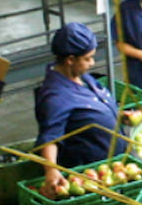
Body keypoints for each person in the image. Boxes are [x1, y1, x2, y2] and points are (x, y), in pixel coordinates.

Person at [35, 23, 121, 196]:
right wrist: (51, 169)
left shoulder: (82, 78)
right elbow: (50, 137)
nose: (92, 63)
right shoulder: (56, 97)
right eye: (88, 58)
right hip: (94, 180)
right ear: (70, 60)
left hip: (115, 168)